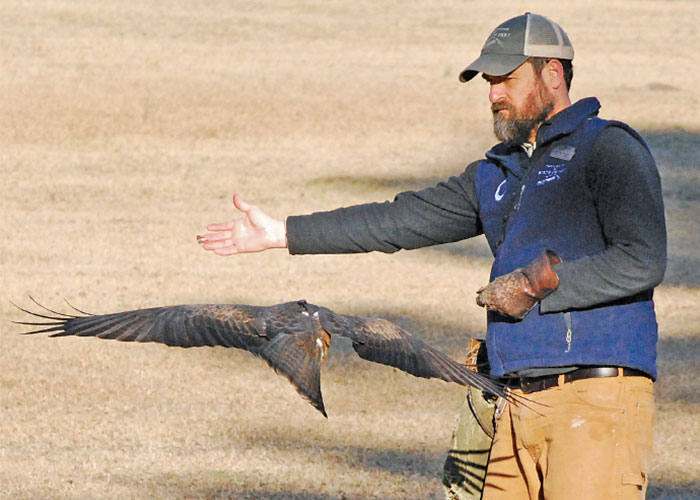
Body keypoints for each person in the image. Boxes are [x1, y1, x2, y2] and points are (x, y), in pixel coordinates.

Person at [198, 12, 666, 500]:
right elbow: (398, 219)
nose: (493, 95)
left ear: (552, 73)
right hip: (509, 404)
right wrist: (284, 233)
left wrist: (535, 285)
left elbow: (642, 259)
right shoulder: (494, 173)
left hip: (594, 400)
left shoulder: (607, 147)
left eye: (505, 80)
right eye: (489, 83)